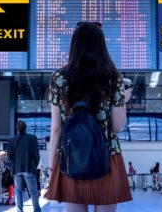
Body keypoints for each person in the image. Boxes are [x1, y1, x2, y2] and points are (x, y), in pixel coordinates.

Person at [44, 22, 133, 212]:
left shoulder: (59, 78)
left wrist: (53, 167)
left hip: (71, 156)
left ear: (74, 46)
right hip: (107, 156)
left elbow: (56, 129)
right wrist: (123, 100)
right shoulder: (113, 78)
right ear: (101, 46)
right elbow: (117, 126)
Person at [8, 120, 41, 212]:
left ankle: (19, 210)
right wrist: (33, 165)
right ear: (26, 128)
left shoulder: (12, 140)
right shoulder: (32, 138)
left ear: (17, 128)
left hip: (16, 169)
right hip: (29, 168)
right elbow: (37, 155)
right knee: (33, 192)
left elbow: (9, 157)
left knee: (18, 192)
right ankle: (37, 210)